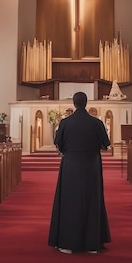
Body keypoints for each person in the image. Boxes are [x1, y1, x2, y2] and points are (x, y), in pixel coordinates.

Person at [48, 91, 111, 254]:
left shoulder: (65, 123)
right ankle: (92, 244)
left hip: (71, 165)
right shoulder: (96, 123)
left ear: (74, 104)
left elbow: (58, 144)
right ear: (86, 103)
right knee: (92, 201)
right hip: (91, 165)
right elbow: (106, 144)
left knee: (70, 200)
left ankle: (67, 243)